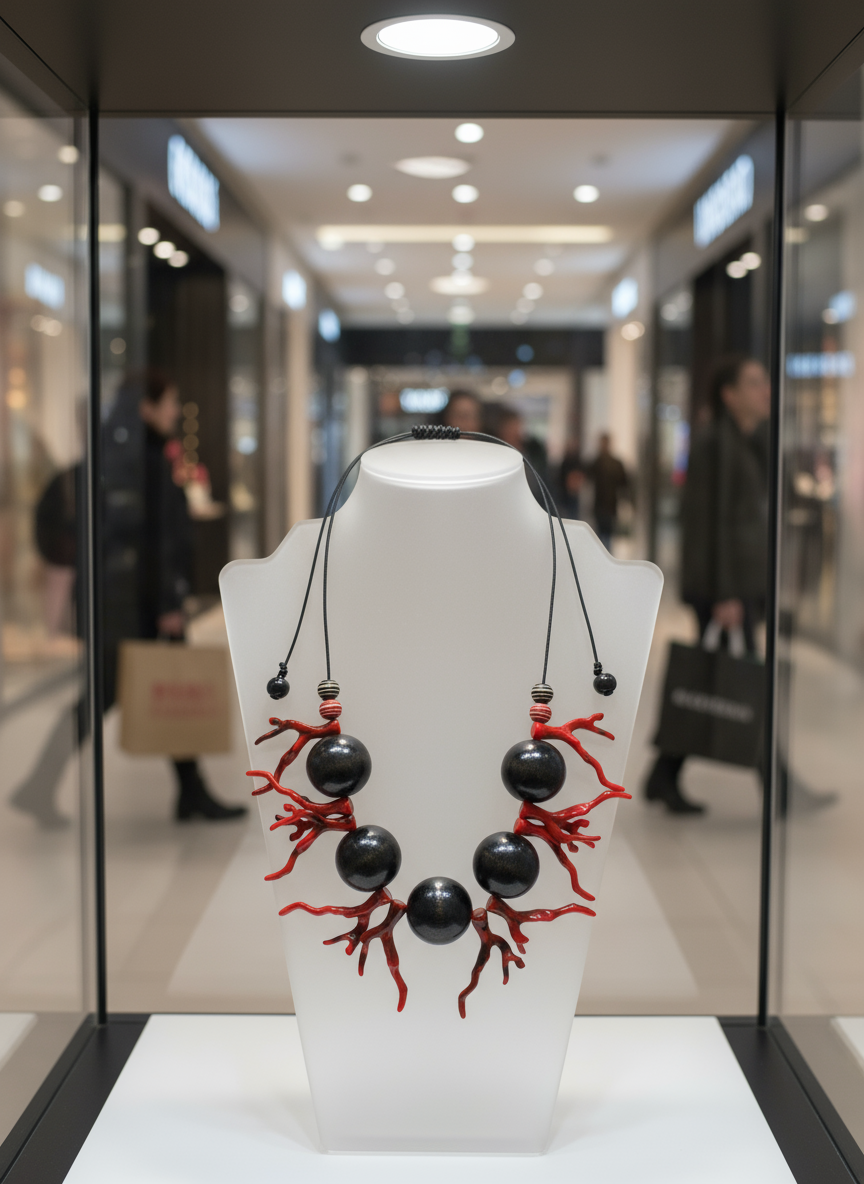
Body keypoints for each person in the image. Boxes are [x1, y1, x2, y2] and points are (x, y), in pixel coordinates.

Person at [11, 370, 246, 827]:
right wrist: (168, 605)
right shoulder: (144, 463)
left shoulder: (116, 458)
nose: (174, 412)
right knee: (110, 696)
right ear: (147, 409)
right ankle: (39, 785)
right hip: (135, 605)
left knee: (144, 692)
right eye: (169, 403)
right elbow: (155, 541)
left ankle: (191, 791)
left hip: (120, 602)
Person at [644, 355, 770, 815]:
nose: (766, 391)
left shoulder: (742, 441)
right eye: (754, 383)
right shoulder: (717, 442)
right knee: (736, 681)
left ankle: (664, 773)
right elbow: (708, 523)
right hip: (724, 589)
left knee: (713, 680)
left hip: (733, 585)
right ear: (729, 394)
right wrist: (724, 594)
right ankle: (778, 781)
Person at [587, 432, 630, 550]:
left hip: (606, 505)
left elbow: (623, 483)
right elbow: (624, 484)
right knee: (603, 537)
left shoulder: (600, 462)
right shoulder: (601, 462)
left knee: (604, 537)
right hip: (605, 505)